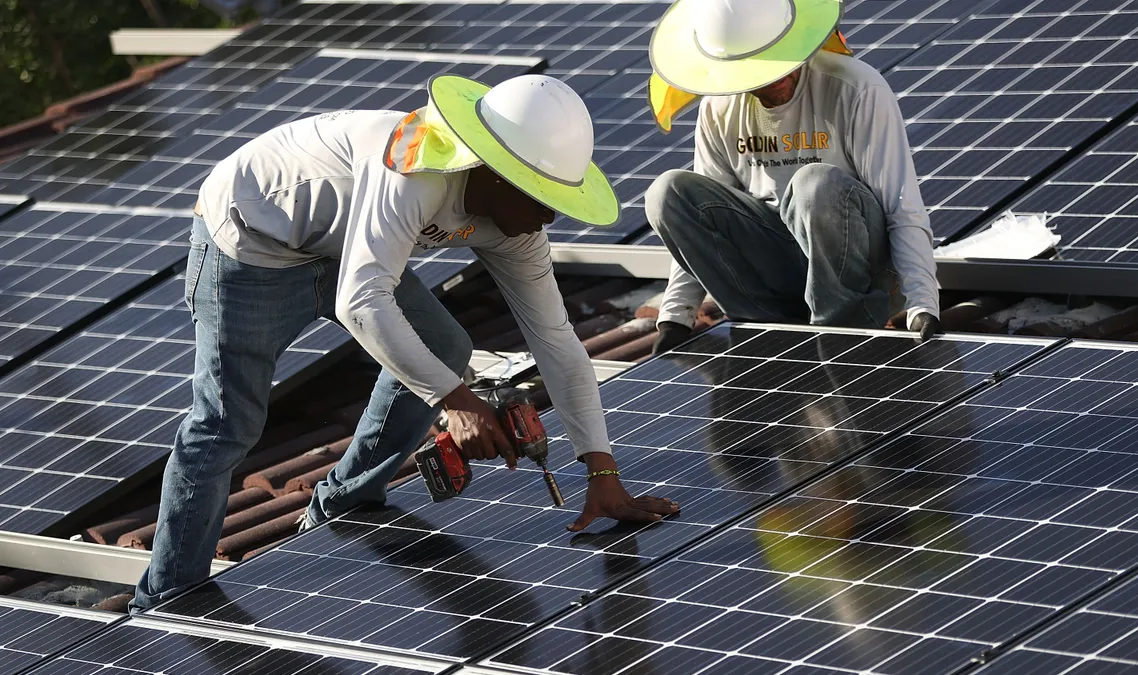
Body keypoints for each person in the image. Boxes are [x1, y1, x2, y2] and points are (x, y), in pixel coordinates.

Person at [130, 74, 680, 612]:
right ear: (491, 171)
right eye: (540, 195)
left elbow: (557, 341)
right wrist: (455, 402)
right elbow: (362, 301)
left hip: (344, 244)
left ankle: (343, 502)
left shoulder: (520, 226)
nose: (549, 214)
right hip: (253, 241)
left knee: (445, 347)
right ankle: (166, 598)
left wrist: (602, 472)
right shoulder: (415, 169)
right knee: (228, 423)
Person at [642, 0, 942, 355]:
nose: (777, 81)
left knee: (814, 185)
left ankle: (840, 331)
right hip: (779, 261)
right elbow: (702, 223)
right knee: (667, 192)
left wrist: (923, 302)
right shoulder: (719, 108)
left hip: (858, 264)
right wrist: (675, 316)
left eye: (782, 63)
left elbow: (901, 205)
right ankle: (766, 331)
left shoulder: (856, 89)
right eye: (761, 75)